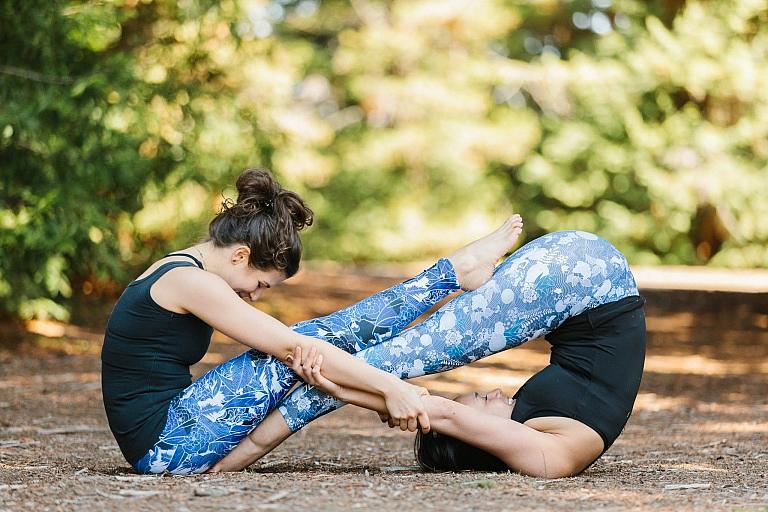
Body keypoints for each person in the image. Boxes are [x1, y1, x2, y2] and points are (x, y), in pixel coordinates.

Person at [101, 167, 524, 474]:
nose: (254, 294)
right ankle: (451, 276)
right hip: (167, 440)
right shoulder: (191, 282)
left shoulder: (181, 266)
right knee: (304, 345)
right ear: (240, 255)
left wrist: (230, 463)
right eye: (261, 284)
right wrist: (389, 386)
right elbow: (290, 347)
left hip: (173, 438)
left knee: (312, 366)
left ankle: (427, 405)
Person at [212, 230, 646, 478]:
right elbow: (442, 413)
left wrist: (346, 390)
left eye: (479, 398)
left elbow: (433, 411)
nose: (494, 391)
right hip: (580, 279)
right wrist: (361, 391)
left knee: (374, 358)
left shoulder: (541, 441)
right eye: (481, 402)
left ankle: (239, 444)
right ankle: (242, 450)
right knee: (388, 359)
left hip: (581, 275)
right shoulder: (550, 460)